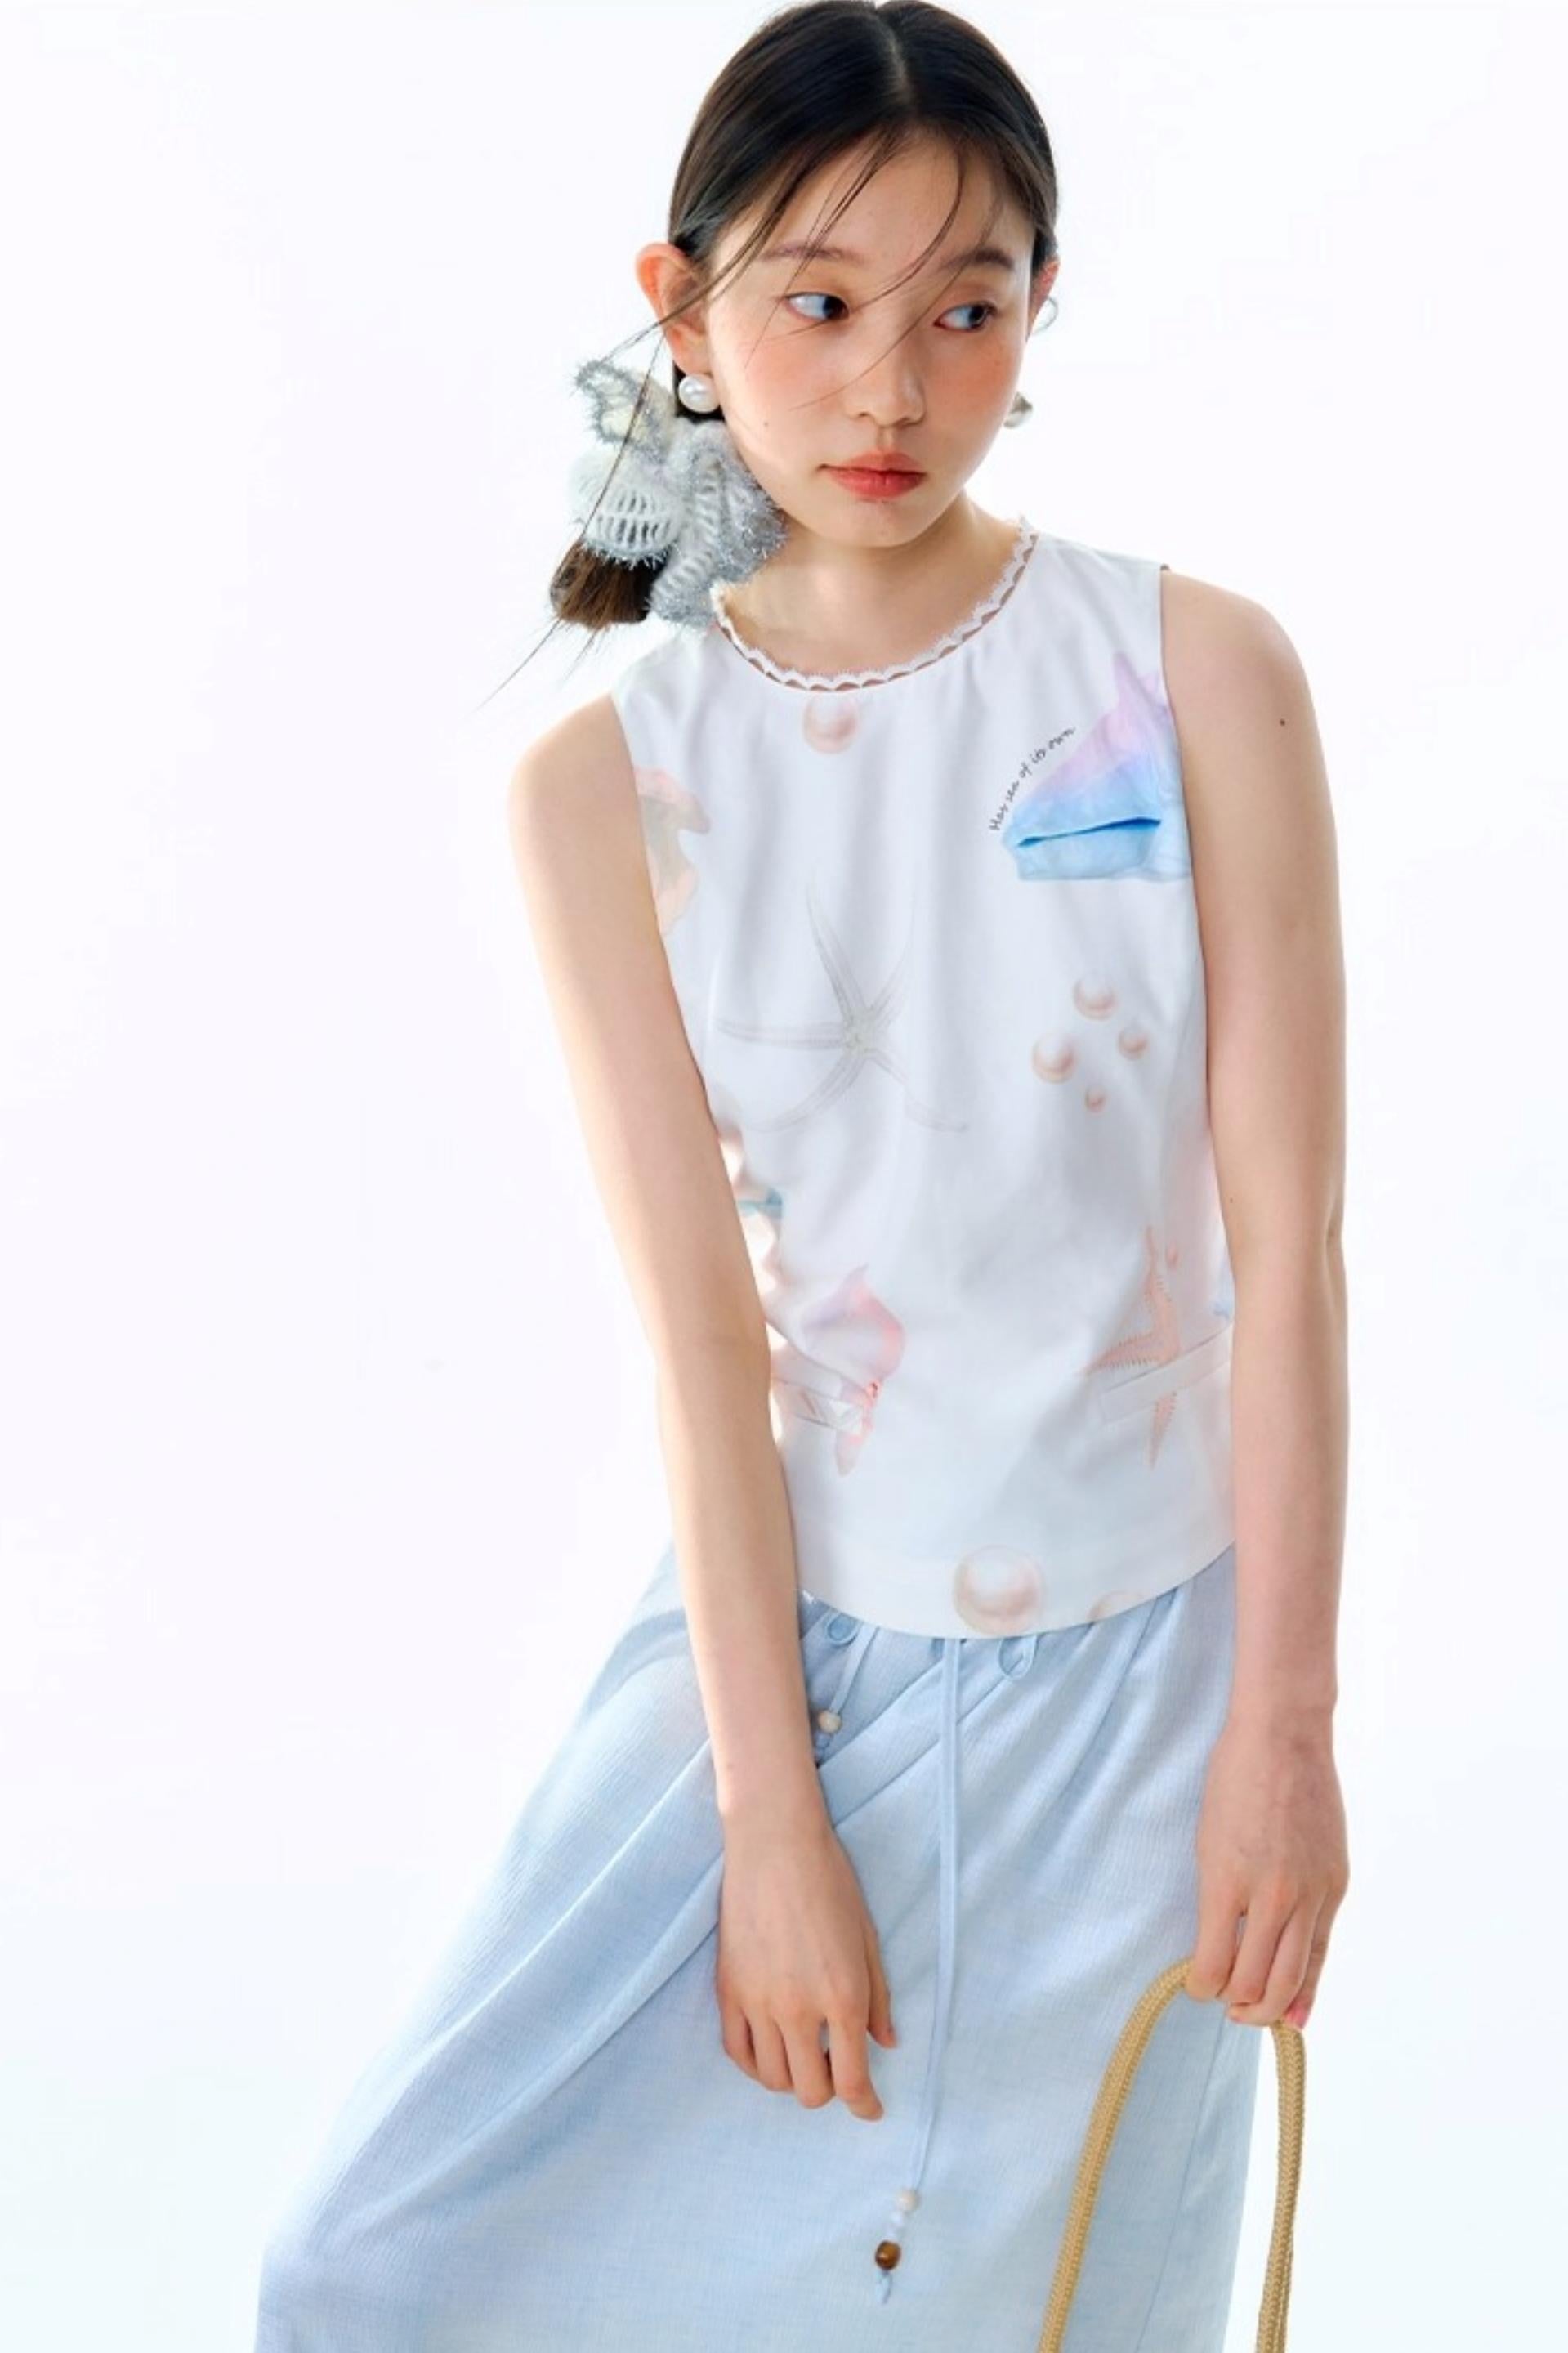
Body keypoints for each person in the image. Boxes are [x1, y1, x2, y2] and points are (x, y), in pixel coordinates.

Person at [252, 3, 1351, 2346]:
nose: (889, 386)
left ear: (1039, 314)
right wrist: (770, 1828)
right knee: (374, 2271)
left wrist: (1282, 1741)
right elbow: (702, 1349)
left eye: (967, 308)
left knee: (1044, 2311)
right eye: (820, 301)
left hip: (1147, 1672)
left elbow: (1297, 1253)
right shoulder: (602, 786)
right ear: (681, 308)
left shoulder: (1198, 670)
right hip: (792, 1662)